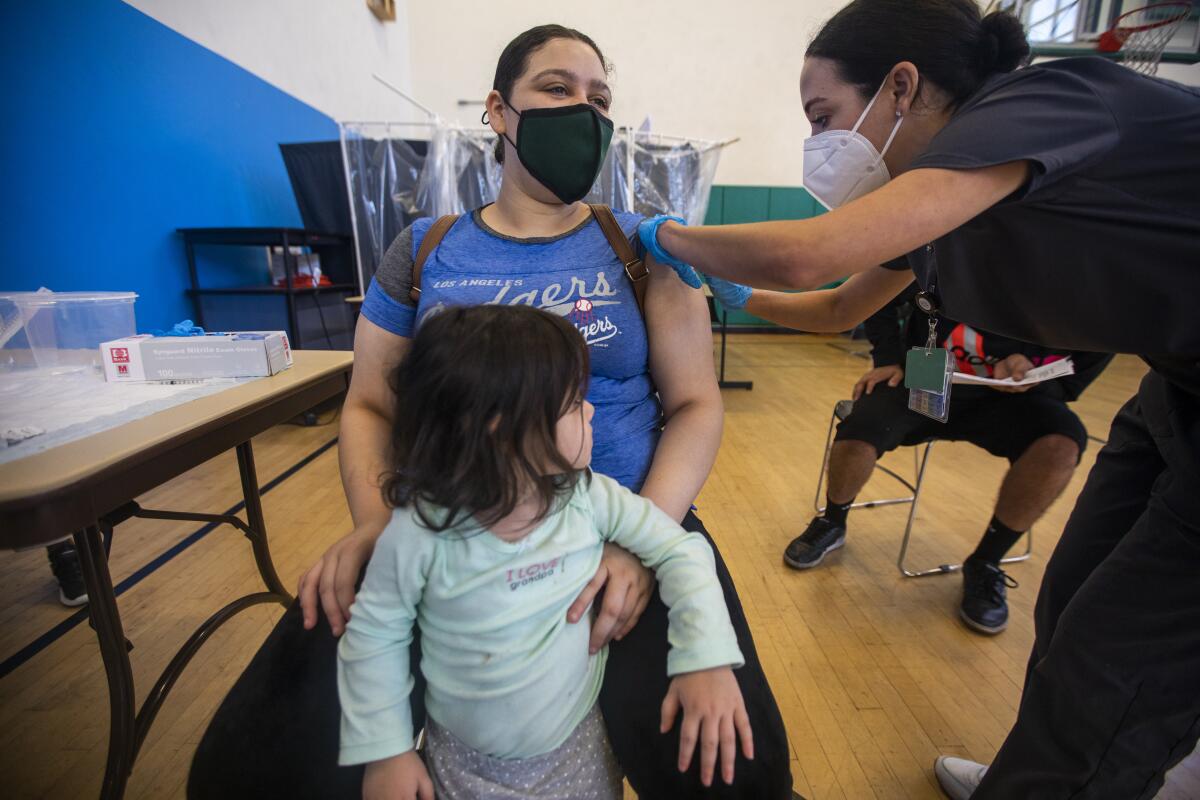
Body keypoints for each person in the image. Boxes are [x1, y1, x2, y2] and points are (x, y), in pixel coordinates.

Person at [189, 24, 796, 800]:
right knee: (253, 769)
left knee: (739, 772)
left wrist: (645, 542)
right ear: (499, 112)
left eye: (599, 98)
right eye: (556, 89)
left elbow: (695, 404)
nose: (584, 110)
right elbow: (371, 401)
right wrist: (378, 527)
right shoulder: (426, 248)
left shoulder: (638, 247)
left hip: (626, 521)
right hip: (446, 530)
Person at [638, 1, 1200, 796]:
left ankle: (1071, 771)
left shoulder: (1043, 106)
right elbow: (835, 306)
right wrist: (724, 290)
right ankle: (1042, 768)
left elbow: (816, 255)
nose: (818, 144)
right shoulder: (947, 205)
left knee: (1112, 670)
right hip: (1176, 385)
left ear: (901, 86)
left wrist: (662, 238)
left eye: (824, 116)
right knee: (1073, 605)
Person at [343, 304, 753, 799]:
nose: (592, 409)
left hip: (577, 748)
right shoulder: (419, 532)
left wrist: (704, 660)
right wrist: (387, 754)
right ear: (503, 429)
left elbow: (681, 551)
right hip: (459, 760)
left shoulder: (589, 498)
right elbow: (373, 638)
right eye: (575, 402)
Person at [741, 281, 1110, 633]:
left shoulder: (1070, 263)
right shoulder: (941, 245)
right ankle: (832, 521)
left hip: (1012, 394)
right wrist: (886, 358)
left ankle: (986, 562)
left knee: (1061, 443)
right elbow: (878, 296)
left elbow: (1105, 331)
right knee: (861, 425)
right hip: (923, 377)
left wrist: (1047, 375)